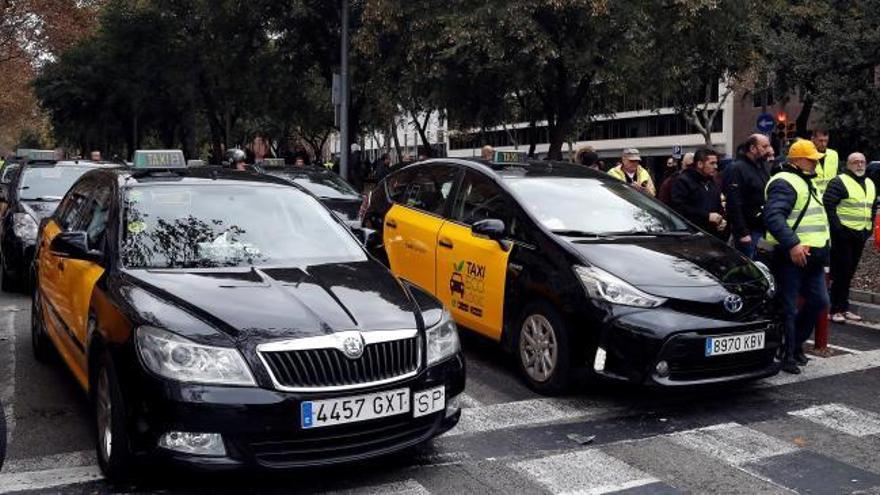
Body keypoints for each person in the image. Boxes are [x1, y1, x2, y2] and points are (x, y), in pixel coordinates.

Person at [764, 139, 831, 374]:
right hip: (790, 257)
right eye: (811, 159)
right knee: (788, 308)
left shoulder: (805, 181)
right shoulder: (786, 182)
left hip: (812, 257)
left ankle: (794, 346)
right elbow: (773, 217)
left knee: (819, 302)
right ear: (797, 160)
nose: (815, 163)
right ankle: (788, 353)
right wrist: (793, 245)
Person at [823, 152, 877, 323]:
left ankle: (843, 307)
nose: (859, 165)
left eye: (862, 162)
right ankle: (835, 309)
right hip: (843, 235)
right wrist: (838, 229)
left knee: (849, 272)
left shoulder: (869, 183)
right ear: (848, 164)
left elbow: (873, 206)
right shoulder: (839, 181)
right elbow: (829, 205)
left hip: (860, 234)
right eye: (855, 162)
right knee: (841, 272)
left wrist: (869, 228)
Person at [723, 134, 774, 258]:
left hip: (762, 228)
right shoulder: (736, 168)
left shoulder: (762, 167)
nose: (768, 150)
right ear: (752, 148)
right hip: (749, 232)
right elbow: (733, 203)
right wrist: (742, 232)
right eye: (765, 146)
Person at [670, 148, 726, 239]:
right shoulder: (683, 181)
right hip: (690, 237)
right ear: (700, 164)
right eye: (712, 163)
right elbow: (679, 209)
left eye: (716, 163)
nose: (716, 167)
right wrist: (706, 216)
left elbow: (718, 206)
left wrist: (722, 220)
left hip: (713, 237)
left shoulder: (712, 182)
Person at [811, 128, 839, 195]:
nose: (823, 144)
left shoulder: (834, 154)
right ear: (812, 139)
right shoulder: (808, 155)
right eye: (820, 141)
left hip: (831, 194)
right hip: (814, 195)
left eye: (826, 141)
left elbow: (837, 174)